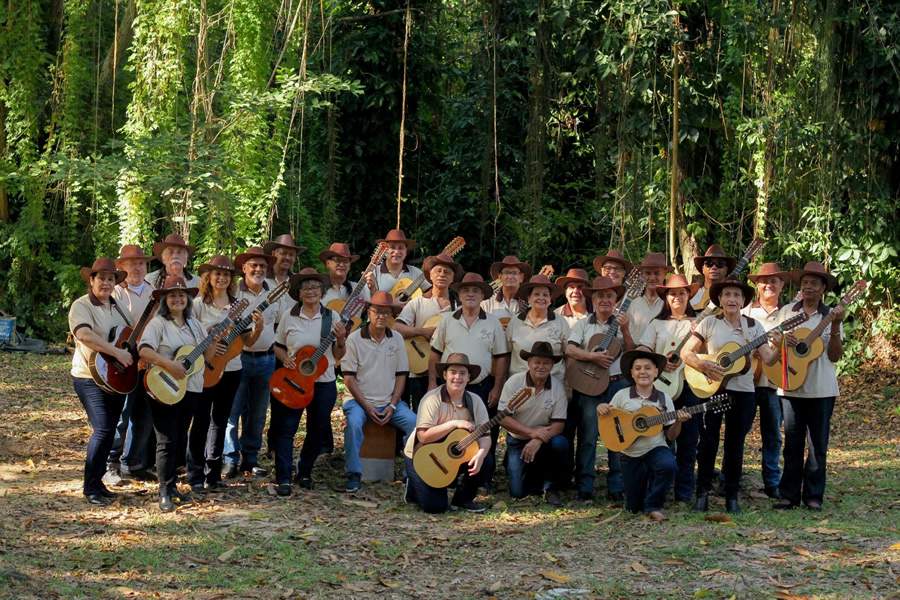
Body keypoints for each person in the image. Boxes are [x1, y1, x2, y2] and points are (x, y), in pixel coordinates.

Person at [680, 279, 782, 513]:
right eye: (727, 295)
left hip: (744, 392)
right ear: (720, 299)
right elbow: (687, 352)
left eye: (737, 295)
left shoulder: (754, 327)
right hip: (713, 388)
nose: (732, 299)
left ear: (743, 300)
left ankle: (731, 495)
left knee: (735, 444)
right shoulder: (709, 323)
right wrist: (704, 366)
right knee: (708, 442)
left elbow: (768, 359)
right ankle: (702, 493)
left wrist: (779, 345)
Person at [139, 275, 222, 512]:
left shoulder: (195, 324)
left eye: (181, 295)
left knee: (179, 437)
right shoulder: (158, 324)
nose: (177, 299)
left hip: (191, 388)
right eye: (172, 295)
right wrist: (169, 365)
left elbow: (207, 358)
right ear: (165, 300)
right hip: (164, 387)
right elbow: (144, 350)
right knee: (165, 440)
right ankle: (164, 491)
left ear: (188, 299)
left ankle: (173, 486)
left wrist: (214, 340)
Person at [773, 262, 844, 511]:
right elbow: (773, 345)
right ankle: (788, 495)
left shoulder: (830, 316)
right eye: (805, 282)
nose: (808, 286)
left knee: (817, 445)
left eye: (814, 283)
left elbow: (835, 356)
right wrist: (783, 340)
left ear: (823, 288)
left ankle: (813, 496)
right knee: (792, 443)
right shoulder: (786, 312)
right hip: (790, 386)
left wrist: (835, 326)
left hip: (821, 389)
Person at [189, 256, 262, 493]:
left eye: (226, 275)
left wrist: (258, 328)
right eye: (217, 274)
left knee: (220, 421)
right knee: (200, 420)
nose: (221, 278)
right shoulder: (198, 304)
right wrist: (211, 339)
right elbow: (190, 336)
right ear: (208, 277)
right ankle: (195, 473)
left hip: (232, 370)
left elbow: (247, 340)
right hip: (205, 370)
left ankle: (213, 473)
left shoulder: (238, 304)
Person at [428, 272, 509, 487]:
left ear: (483, 295)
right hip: (451, 388)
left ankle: (483, 478)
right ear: (459, 294)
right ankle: (450, 476)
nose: (470, 294)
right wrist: (432, 383)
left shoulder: (493, 323)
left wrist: (497, 387)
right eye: (466, 290)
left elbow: (501, 357)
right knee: (451, 432)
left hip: (482, 387)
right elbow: (435, 353)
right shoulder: (447, 320)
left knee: (484, 431)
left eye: (475, 290)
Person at [271, 268, 346, 495]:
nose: (311, 291)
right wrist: (286, 360)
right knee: (286, 429)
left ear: (322, 291)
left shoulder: (332, 317)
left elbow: (339, 355)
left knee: (317, 429)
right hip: (293, 382)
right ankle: (283, 477)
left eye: (315, 287)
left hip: (323, 382)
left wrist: (341, 339)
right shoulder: (288, 316)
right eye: (306, 288)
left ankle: (304, 471)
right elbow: (278, 346)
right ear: (299, 293)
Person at [598, 350, 691, 521]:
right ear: (632, 373)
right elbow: (608, 417)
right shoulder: (622, 395)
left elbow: (670, 437)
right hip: (630, 453)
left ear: (656, 372)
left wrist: (678, 421)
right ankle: (641, 500)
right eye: (638, 368)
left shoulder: (664, 399)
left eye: (648, 368)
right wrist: (601, 408)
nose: (643, 372)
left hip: (655, 448)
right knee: (633, 508)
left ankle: (653, 505)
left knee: (668, 465)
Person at [69, 258, 132, 505]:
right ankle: (90, 488)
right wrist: (117, 353)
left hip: (114, 378)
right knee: (103, 429)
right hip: (88, 376)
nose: (106, 283)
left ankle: (98, 483)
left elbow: (128, 335)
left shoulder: (117, 307)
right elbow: (84, 335)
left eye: (111, 279)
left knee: (109, 430)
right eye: (101, 278)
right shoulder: (81, 306)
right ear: (91, 280)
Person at [341, 291, 417, 493]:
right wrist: (367, 407)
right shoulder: (354, 339)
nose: (381, 316)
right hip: (359, 401)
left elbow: (402, 375)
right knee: (354, 423)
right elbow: (348, 378)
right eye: (377, 311)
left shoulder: (397, 339)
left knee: (415, 424)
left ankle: (411, 474)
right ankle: (354, 474)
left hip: (388, 401)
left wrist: (392, 404)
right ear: (369, 313)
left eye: (386, 312)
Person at [565, 276, 632, 501]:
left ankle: (617, 486)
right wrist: (592, 356)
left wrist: (627, 330)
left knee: (618, 435)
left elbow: (632, 354)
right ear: (592, 299)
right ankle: (585, 486)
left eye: (609, 296)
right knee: (588, 436)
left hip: (617, 385)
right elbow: (570, 350)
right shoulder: (584, 323)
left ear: (616, 300)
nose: (605, 300)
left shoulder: (623, 323)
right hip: (590, 385)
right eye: (600, 295)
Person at [636, 273, 701, 503]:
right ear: (666, 296)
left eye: (682, 293)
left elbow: (708, 350)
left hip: (691, 385)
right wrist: (660, 360)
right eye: (672, 293)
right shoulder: (656, 323)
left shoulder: (699, 322)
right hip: (663, 387)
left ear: (688, 295)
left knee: (689, 440)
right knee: (660, 437)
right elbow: (642, 351)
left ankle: (684, 492)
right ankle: (659, 489)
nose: (677, 297)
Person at [404, 354, 493, 513]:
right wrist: (453, 424)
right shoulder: (431, 399)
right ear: (445, 375)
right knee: (435, 507)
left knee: (485, 458)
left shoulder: (475, 401)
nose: (457, 377)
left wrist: (480, 454)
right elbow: (423, 437)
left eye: (462, 373)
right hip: (422, 454)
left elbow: (485, 437)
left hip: (450, 455)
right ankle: (414, 486)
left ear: (468, 377)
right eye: (453, 372)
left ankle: (463, 499)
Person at [223, 247, 280, 478]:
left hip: (266, 359)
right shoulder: (234, 292)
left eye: (263, 267)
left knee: (257, 413)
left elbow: (280, 326)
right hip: (238, 359)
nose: (258, 270)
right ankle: (230, 459)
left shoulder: (275, 293)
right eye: (253, 265)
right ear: (244, 268)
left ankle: (251, 459)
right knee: (232, 411)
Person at [105, 245, 156, 485]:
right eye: (131, 263)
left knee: (144, 415)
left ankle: (134, 463)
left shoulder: (155, 292)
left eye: (141, 263)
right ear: (121, 267)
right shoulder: (113, 293)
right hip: (124, 361)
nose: (137, 267)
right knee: (121, 415)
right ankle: (111, 464)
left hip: (148, 361)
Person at [499, 342, 570, 507]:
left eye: (546, 363)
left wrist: (537, 439)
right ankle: (515, 463)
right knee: (518, 493)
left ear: (552, 365)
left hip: (545, 439)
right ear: (529, 363)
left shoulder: (557, 387)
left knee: (560, 443)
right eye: (537, 362)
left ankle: (550, 486)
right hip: (518, 438)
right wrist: (531, 433)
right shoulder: (514, 383)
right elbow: (503, 418)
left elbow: (558, 425)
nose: (541, 366)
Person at [743, 262, 791, 499]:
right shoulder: (746, 313)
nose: (768, 285)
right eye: (764, 281)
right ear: (756, 285)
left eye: (774, 280)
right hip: (747, 382)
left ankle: (772, 481)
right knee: (739, 430)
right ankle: (731, 478)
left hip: (774, 383)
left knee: (773, 433)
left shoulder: (790, 313)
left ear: (782, 285)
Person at [394, 253, 462, 410]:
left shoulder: (458, 307)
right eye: (438, 271)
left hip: (449, 372)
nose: (442, 275)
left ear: (453, 279)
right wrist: (423, 332)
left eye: (447, 272)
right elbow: (397, 327)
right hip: (419, 368)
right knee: (421, 414)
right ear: (429, 275)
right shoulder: (417, 303)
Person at [506, 274, 570, 380]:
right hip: (519, 383)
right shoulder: (515, 321)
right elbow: (506, 354)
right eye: (536, 294)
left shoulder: (561, 322)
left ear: (550, 299)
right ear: (529, 298)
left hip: (552, 383)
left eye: (545, 295)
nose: (541, 298)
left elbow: (569, 354)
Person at [366, 229, 429, 295]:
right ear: (385, 251)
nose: (396, 252)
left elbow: (431, 291)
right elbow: (366, 300)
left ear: (406, 252)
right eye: (392, 247)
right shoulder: (373, 273)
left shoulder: (415, 272)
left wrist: (418, 300)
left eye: (401, 248)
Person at [625, 252, 669, 344]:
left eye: (657, 273)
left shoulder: (670, 301)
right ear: (642, 275)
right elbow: (621, 333)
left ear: (665, 274)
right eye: (648, 273)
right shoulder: (630, 300)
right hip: (635, 353)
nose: (652, 277)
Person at [481, 255, 531, 328]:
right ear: (500, 277)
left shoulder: (529, 303)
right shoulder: (487, 303)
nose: (510, 276)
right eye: (507, 272)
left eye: (514, 273)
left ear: (521, 277)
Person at [320, 242, 367, 307]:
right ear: (328, 263)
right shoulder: (318, 289)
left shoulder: (358, 288)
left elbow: (374, 309)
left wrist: (373, 288)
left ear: (350, 265)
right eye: (337, 260)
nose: (342, 264)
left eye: (345, 261)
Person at [690, 244, 736, 311]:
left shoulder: (735, 296)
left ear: (726, 270)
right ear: (702, 268)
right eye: (709, 263)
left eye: (720, 264)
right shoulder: (692, 295)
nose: (714, 267)